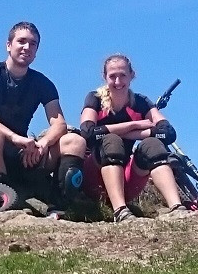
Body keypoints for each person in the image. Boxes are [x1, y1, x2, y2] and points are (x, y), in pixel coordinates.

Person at [55, 53, 186, 222]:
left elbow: (168, 133)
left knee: (153, 145)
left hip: (127, 181)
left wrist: (124, 131)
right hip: (94, 179)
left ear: (132, 75)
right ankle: (120, 212)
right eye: (112, 76)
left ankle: (177, 208)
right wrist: (134, 125)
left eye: (122, 75)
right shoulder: (95, 99)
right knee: (112, 142)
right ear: (104, 77)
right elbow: (87, 132)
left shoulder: (141, 102)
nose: (118, 82)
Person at [0, 22, 69, 191]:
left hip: (19, 155)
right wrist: (13, 137)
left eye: (33, 44)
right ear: (8, 45)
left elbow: (59, 123)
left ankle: (62, 199)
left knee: (73, 141)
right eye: (22, 41)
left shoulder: (43, 83)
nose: (27, 47)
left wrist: (43, 143)